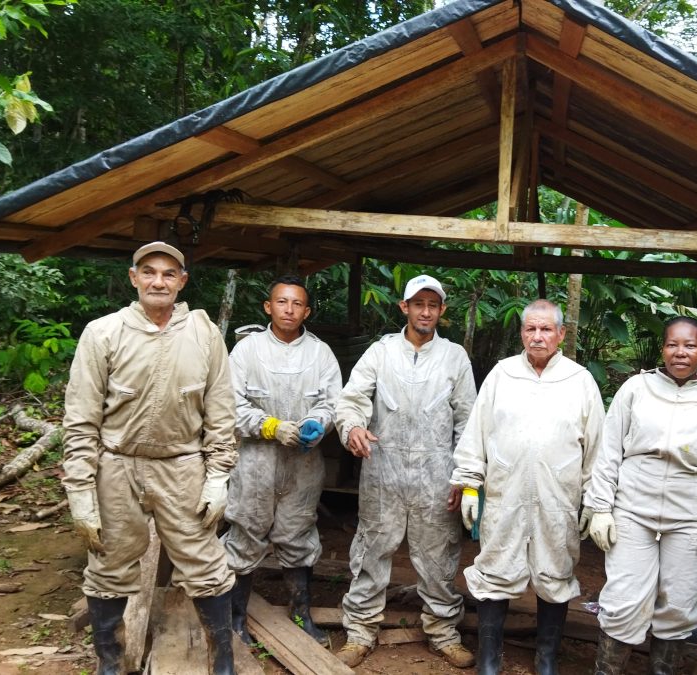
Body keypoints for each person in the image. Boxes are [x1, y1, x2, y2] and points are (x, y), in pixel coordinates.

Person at [62, 242, 237, 675]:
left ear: (182, 281)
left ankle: (223, 664)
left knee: (205, 564)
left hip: (183, 466)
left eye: (168, 273)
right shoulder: (103, 332)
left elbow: (221, 410)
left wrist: (218, 476)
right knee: (107, 562)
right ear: (134, 278)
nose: (159, 281)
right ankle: (111, 663)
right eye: (149, 272)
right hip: (117, 465)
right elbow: (81, 416)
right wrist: (80, 489)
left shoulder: (204, 333)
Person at [585, 317, 697, 675]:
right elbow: (609, 449)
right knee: (622, 602)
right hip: (633, 510)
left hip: (694, 517)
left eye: (690, 345)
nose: (681, 352)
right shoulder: (636, 389)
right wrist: (600, 507)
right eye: (673, 344)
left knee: (677, 608)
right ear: (663, 349)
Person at [452, 299, 605, 675]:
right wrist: (470, 483)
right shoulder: (502, 374)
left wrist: (595, 501)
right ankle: (489, 658)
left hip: (559, 498)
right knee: (495, 567)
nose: (538, 337)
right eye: (530, 329)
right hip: (506, 494)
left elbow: (598, 447)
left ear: (561, 334)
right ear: (522, 333)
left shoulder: (580, 380)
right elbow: (477, 433)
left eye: (546, 329)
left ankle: (546, 657)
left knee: (555, 570)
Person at [333, 274, 477, 669]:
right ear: (405, 307)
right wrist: (353, 427)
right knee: (371, 551)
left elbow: (469, 420)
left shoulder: (454, 357)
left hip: (437, 474)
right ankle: (360, 632)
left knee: (438, 558)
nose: (426, 311)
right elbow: (352, 398)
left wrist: (464, 476)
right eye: (419, 304)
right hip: (383, 469)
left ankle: (444, 632)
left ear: (441, 311)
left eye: (433, 305)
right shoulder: (382, 352)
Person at [223, 274, 342, 647]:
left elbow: (334, 401)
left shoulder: (320, 353)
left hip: (303, 462)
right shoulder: (247, 351)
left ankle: (300, 614)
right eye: (281, 302)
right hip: (254, 460)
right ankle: (236, 620)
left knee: (298, 535)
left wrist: (316, 423)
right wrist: (270, 426)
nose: (288, 310)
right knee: (245, 533)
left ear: (306, 311)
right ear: (268, 307)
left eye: (296, 304)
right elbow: (229, 403)